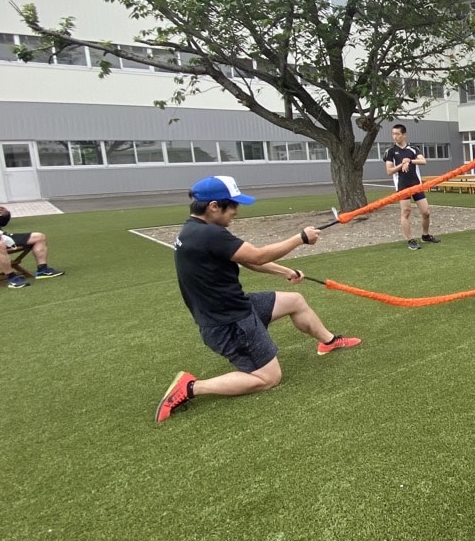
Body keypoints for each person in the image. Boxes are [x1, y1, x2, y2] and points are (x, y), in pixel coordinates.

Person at [155, 175, 362, 423]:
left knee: (295, 301)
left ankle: (328, 341)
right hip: (230, 323)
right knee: (269, 379)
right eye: (232, 205)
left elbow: (245, 259)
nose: (236, 212)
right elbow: (257, 256)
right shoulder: (211, 235)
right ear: (213, 206)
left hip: (235, 307)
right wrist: (301, 238)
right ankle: (191, 387)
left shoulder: (193, 230)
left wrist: (285, 271)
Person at [0, 198, 65, 288]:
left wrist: (5, 214)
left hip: (0, 236)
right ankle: (12, 277)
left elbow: (1, 222)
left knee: (39, 237)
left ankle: (43, 270)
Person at [384, 123, 441, 250]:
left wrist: (409, 160)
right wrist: (401, 164)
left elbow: (423, 161)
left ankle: (425, 236)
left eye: (397, 134)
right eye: (393, 134)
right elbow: (389, 171)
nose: (395, 137)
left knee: (426, 212)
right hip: (402, 186)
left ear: (404, 135)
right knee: (406, 212)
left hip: (416, 185)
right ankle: (410, 240)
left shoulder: (413, 149)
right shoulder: (391, 152)